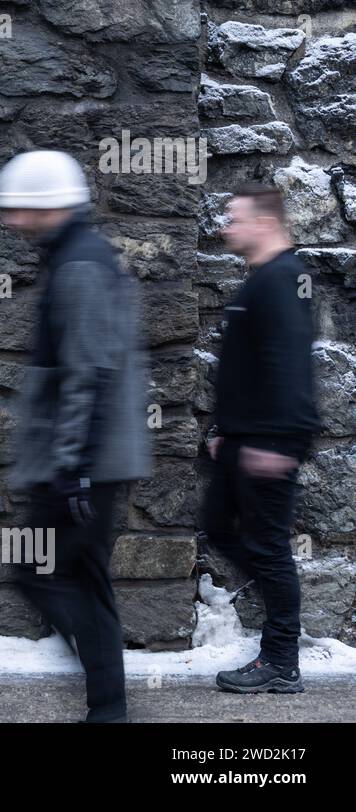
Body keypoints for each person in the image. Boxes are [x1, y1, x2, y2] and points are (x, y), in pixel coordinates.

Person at [0, 150, 152, 724]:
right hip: (95, 459)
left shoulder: (81, 264)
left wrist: (72, 468)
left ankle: (107, 701)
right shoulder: (78, 256)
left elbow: (90, 371)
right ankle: (109, 710)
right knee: (86, 582)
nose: (9, 220)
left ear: (47, 206)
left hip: (83, 462)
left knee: (37, 572)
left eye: (18, 209)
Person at [203, 183, 319, 695]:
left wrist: (276, 442)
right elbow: (251, 368)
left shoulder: (284, 279)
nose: (225, 228)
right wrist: (228, 433)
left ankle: (281, 658)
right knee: (220, 528)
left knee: (269, 549)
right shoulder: (264, 280)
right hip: (244, 439)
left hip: (270, 442)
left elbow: (290, 366)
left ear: (265, 223)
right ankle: (281, 611)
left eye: (235, 218)